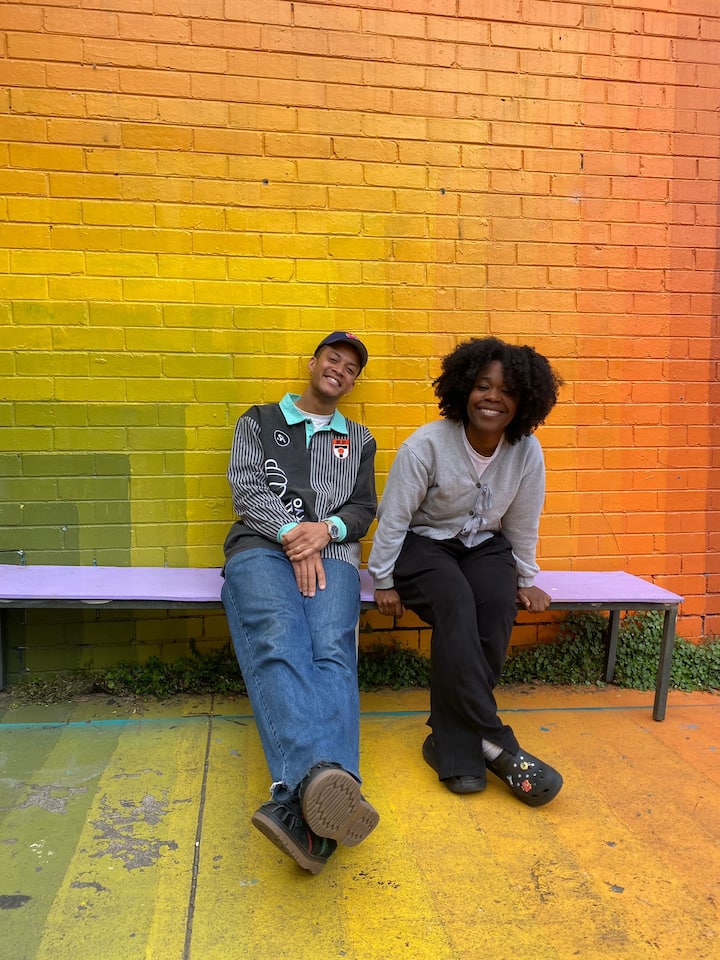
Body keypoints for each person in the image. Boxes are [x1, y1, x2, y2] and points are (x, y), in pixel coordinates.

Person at [368, 336, 564, 807]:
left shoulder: (526, 451)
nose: (493, 398)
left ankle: (451, 742)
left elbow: (523, 520)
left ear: (525, 401)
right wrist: (383, 579)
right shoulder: (426, 445)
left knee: (495, 604)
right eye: (483, 386)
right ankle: (494, 741)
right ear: (464, 389)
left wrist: (526, 578)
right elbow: (394, 516)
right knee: (454, 601)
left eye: (507, 390)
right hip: (423, 545)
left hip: (483, 546)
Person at [221, 331, 379, 874]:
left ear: (352, 383)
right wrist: (295, 535)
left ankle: (303, 806)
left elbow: (362, 507)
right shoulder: (259, 421)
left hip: (333, 552)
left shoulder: (358, 439)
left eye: (351, 368)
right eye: (333, 359)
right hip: (260, 547)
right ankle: (327, 790)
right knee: (279, 638)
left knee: (331, 650)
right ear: (313, 364)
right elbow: (247, 491)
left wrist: (324, 531)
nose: (341, 369)